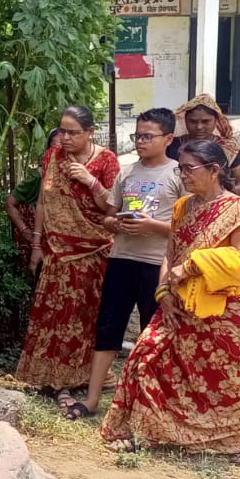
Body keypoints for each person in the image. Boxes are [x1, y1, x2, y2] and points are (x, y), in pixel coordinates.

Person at [99, 140, 240, 465]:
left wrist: (194, 266)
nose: (183, 175)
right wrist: (163, 293)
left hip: (224, 310)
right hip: (178, 302)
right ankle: (153, 431)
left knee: (229, 378)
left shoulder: (238, 211)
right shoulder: (183, 207)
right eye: (180, 168)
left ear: (215, 170)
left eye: (189, 169)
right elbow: (171, 253)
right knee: (146, 359)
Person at [63, 108, 182, 419]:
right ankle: (91, 400)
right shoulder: (127, 173)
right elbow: (109, 213)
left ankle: (149, 405)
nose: (140, 142)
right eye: (137, 135)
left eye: (147, 136)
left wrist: (152, 226)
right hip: (121, 259)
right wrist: (113, 223)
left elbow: (188, 228)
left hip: (156, 264)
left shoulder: (178, 174)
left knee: (151, 334)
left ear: (168, 139)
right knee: (108, 328)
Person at [13, 105, 119, 397]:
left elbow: (113, 206)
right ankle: (53, 377)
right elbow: (44, 204)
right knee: (55, 315)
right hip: (57, 250)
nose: (65, 137)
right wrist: (37, 244)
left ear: (90, 132)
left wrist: (89, 180)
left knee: (85, 315)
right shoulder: (53, 157)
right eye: (62, 130)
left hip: (93, 249)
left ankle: (86, 376)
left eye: (73, 132)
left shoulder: (106, 160)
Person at [168, 94, 240, 196]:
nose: (199, 127)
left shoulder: (229, 149)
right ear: (185, 121)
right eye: (193, 121)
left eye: (206, 121)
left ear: (216, 121)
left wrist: (224, 195)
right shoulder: (171, 145)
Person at [5, 128, 61, 270]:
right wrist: (25, 231)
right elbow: (10, 204)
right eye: (55, 145)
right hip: (44, 244)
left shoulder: (79, 175)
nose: (60, 150)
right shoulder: (39, 177)